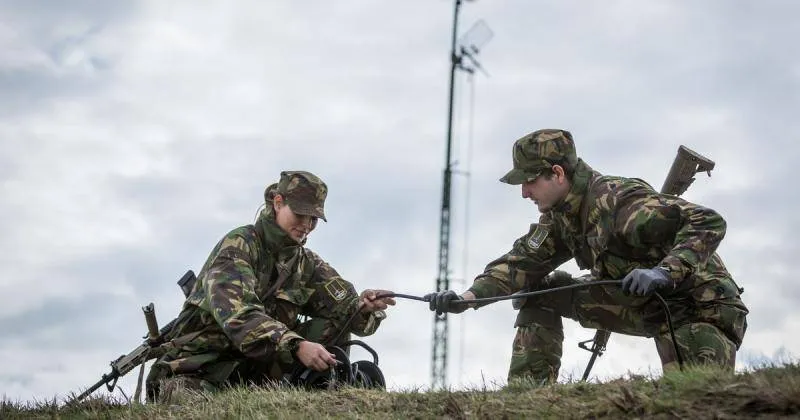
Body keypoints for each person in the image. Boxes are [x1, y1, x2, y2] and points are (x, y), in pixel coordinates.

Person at [426, 129, 748, 384]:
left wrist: (664, 272)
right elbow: (520, 264)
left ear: (557, 173)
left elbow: (708, 221)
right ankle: (529, 397)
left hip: (699, 308)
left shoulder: (620, 204)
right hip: (647, 305)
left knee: (693, 400)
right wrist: (466, 298)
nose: (524, 192)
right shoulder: (561, 217)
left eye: (529, 181)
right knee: (537, 294)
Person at [146, 171, 395, 401]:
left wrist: (363, 308)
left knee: (334, 325)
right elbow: (239, 317)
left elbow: (344, 309)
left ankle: (328, 396)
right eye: (300, 214)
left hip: (254, 371)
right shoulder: (238, 246)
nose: (306, 225)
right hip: (199, 369)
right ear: (278, 203)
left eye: (314, 219)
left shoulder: (305, 263)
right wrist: (296, 345)